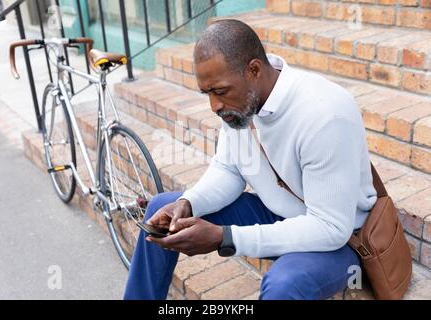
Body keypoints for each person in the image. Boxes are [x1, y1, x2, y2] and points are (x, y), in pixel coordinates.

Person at [123, 19, 377, 300]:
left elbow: (330, 228)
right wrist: (189, 202)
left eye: (219, 91)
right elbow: (229, 171)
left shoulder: (324, 114)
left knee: (284, 284)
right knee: (163, 209)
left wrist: (226, 237)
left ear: (254, 70)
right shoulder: (241, 103)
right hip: (280, 214)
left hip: (341, 239)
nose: (214, 106)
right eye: (207, 93)